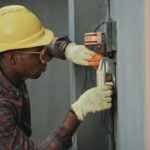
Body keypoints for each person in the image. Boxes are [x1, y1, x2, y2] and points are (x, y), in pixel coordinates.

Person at [0, 5, 113, 150]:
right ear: (12, 59)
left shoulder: (8, 62)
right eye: (40, 53)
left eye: (45, 50)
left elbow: (44, 45)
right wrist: (76, 113)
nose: (45, 58)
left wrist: (68, 50)